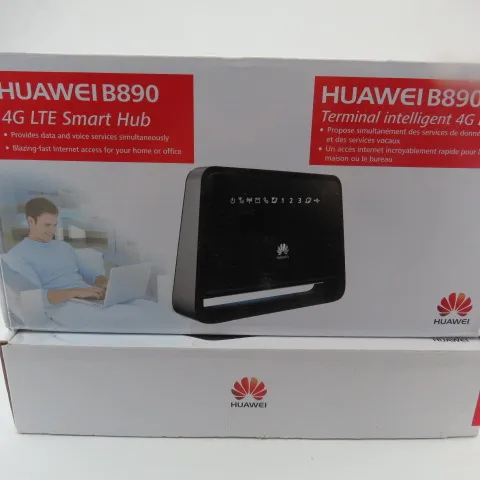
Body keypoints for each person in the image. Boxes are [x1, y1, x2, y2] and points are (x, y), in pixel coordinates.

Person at [6, 197, 109, 305]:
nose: (52, 230)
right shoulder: (17, 254)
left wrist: (105, 282)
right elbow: (34, 296)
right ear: (31, 221)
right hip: (63, 305)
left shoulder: (64, 247)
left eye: (55, 225)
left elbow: (90, 274)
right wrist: (75, 292)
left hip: (90, 299)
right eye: (47, 225)